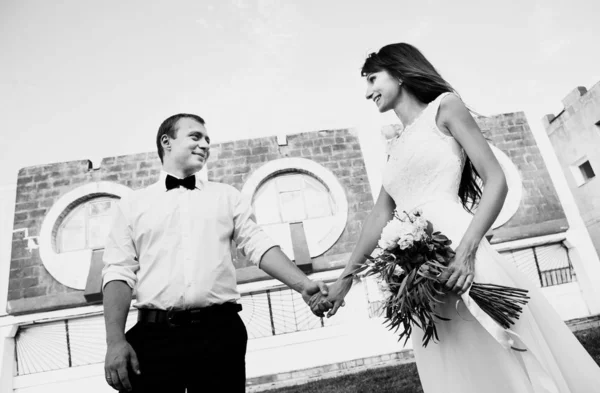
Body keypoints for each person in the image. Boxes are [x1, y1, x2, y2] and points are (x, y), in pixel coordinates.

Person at [310, 43, 600, 392]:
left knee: (500, 350)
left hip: (463, 254)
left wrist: (466, 252)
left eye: (373, 79)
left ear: (400, 73)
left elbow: (496, 180)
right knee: (455, 361)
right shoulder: (395, 146)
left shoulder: (445, 108)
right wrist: (345, 281)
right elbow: (378, 217)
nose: (368, 92)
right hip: (418, 273)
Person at [102, 113, 329, 392]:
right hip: (153, 337)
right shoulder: (132, 206)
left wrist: (303, 284)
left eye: (208, 140)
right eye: (195, 137)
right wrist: (115, 341)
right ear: (167, 142)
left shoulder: (227, 197)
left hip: (219, 334)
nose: (205, 145)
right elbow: (118, 272)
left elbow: (257, 244)